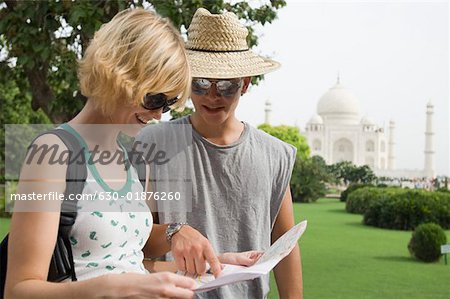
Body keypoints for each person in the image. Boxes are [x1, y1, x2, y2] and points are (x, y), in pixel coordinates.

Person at [5, 8, 257, 299]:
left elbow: (131, 262)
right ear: (116, 73)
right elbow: (19, 290)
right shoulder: (51, 154)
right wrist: (111, 286)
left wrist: (209, 266)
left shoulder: (137, 160)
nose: (158, 115)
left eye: (167, 104)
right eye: (154, 99)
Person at [137, 8, 303, 299]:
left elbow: (284, 244)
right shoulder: (153, 143)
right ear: (186, 80)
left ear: (246, 83)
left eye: (226, 86)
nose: (212, 96)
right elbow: (137, 240)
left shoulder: (274, 155)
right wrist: (175, 231)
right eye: (200, 83)